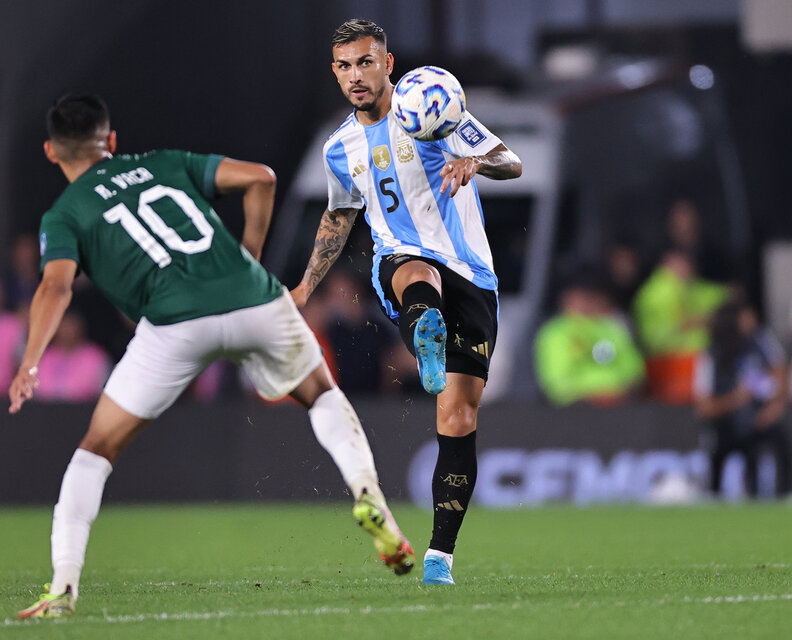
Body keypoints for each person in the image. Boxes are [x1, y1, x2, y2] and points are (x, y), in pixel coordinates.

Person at [10, 94, 414, 618]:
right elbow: (262, 178)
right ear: (111, 142)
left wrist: (29, 362)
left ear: (50, 152)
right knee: (319, 395)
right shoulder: (162, 162)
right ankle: (369, 495)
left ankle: (64, 585)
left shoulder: (65, 213)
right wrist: (249, 254)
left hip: (175, 324)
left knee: (95, 450)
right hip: (254, 298)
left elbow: (55, 289)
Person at [290, 19, 521, 585]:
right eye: (344, 67)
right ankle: (427, 330)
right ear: (336, 73)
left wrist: (475, 161)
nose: (355, 77)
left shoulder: (429, 109)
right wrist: (302, 288)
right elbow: (340, 215)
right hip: (401, 260)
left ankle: (440, 556)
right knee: (414, 271)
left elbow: (511, 162)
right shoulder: (339, 147)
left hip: (474, 275)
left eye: (365, 63)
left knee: (459, 417)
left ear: (387, 64)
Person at [694, 299, 791, 497]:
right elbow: (704, 406)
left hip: (759, 419)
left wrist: (774, 407)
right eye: (746, 316)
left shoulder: (761, 340)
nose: (753, 320)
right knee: (719, 447)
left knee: (779, 437)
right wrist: (736, 399)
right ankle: (714, 494)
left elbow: (780, 371)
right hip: (727, 424)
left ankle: (784, 492)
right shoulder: (712, 354)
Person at [633, 248, 728, 404]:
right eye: (681, 263)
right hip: (668, 363)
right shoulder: (657, 293)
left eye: (689, 263)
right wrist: (695, 322)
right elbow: (658, 337)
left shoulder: (687, 286)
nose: (687, 267)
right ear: (667, 263)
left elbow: (720, 295)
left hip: (692, 362)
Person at [534, 275, 644, 406]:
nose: (584, 302)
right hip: (575, 408)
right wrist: (592, 393)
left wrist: (616, 391)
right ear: (565, 299)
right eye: (579, 297)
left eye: (588, 297)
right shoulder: (554, 333)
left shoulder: (609, 329)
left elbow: (634, 369)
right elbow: (556, 381)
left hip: (618, 403)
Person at [34, 310, 110, 402]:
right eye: (64, 325)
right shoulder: (43, 356)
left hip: (84, 412)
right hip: (44, 412)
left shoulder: (95, 357)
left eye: (71, 325)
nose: (67, 330)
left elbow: (104, 393)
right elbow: (35, 392)